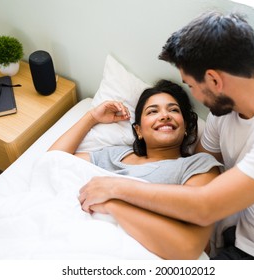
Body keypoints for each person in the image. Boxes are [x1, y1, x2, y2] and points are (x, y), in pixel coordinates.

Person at [78, 11, 254, 260]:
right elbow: (198, 168)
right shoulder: (223, 114)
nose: (194, 96)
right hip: (241, 232)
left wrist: (115, 189)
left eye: (190, 85)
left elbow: (204, 205)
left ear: (213, 80)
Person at [49, 79, 222, 259]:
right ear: (138, 130)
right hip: (79, 240)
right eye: (153, 111)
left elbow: (189, 248)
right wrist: (91, 117)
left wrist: (112, 204)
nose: (164, 116)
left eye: (173, 110)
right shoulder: (115, 156)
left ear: (186, 127)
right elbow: (53, 163)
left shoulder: (198, 166)